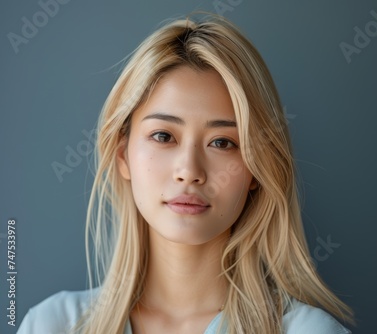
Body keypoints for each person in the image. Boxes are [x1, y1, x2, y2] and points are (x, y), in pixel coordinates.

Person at [18, 14, 356, 334]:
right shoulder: (52, 325)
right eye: (164, 136)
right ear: (123, 154)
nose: (190, 172)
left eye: (222, 142)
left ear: (256, 167)